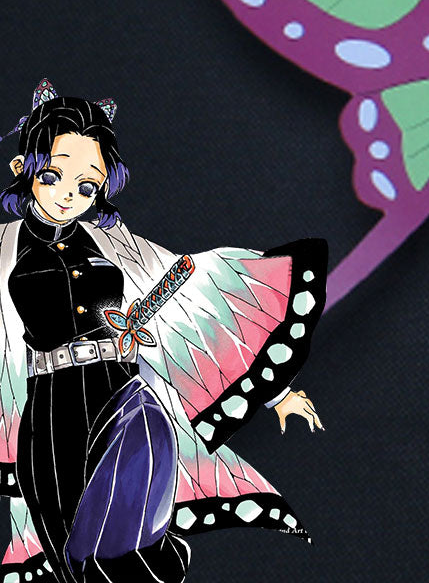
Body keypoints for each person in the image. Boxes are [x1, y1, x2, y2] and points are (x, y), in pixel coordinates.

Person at [0, 80, 328, 583]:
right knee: (69, 553)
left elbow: (191, 290)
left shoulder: (114, 244)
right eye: (53, 175)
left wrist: (277, 392)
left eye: (87, 187)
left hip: (121, 393)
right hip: (50, 410)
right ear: (22, 168)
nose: (69, 194)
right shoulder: (5, 248)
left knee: (123, 541)